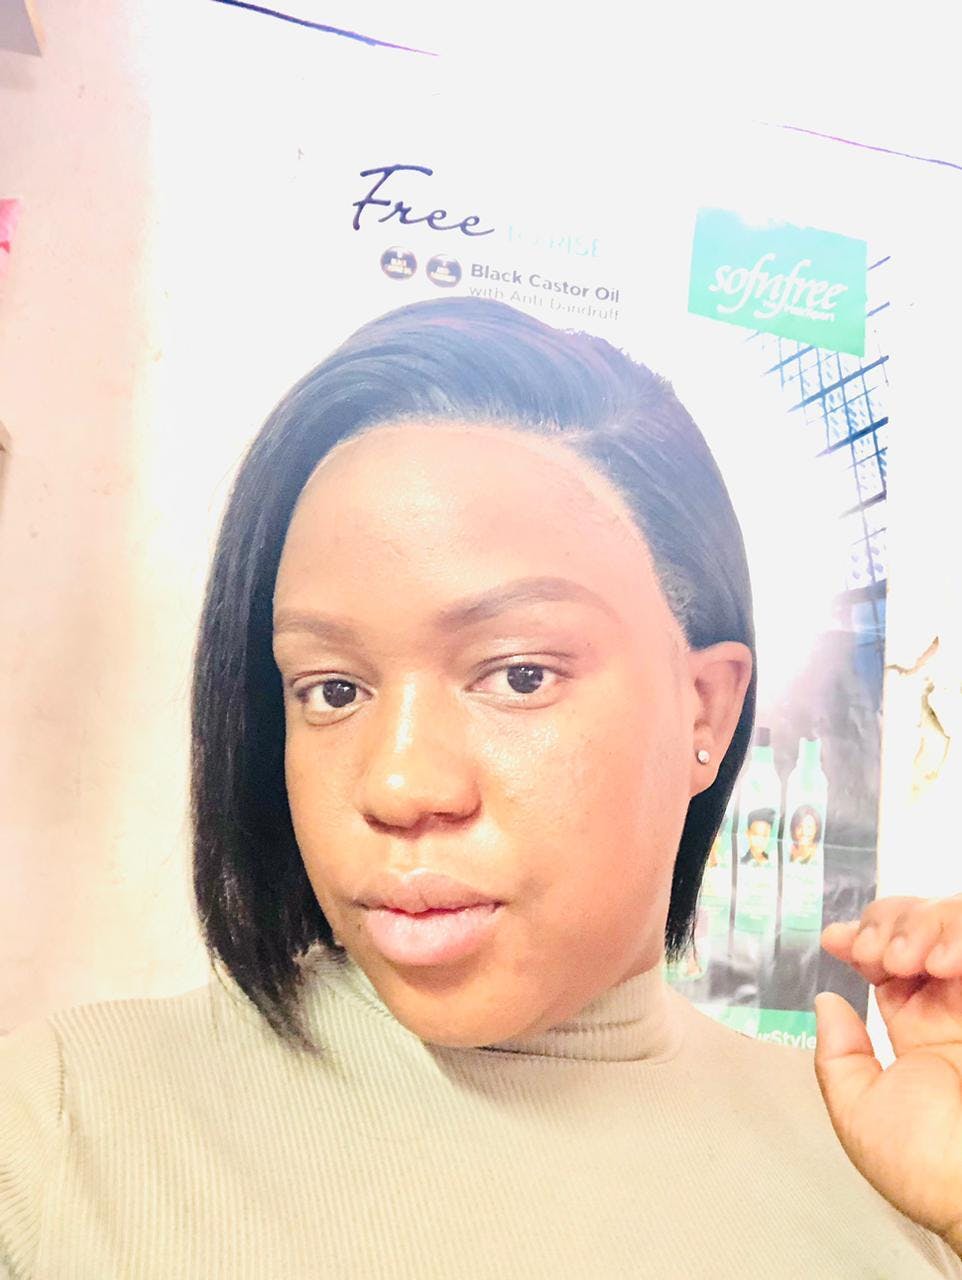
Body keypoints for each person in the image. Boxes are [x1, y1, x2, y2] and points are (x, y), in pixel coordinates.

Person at [1, 298, 961, 1277]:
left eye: (519, 674)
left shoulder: (888, 1156)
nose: (398, 783)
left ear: (704, 711)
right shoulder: (62, 1132)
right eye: (332, 689)